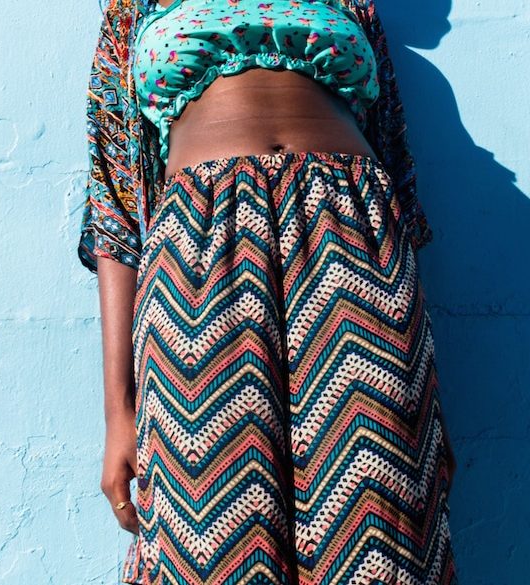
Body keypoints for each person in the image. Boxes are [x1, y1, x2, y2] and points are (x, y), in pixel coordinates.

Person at [76, 0, 459, 582]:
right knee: (213, 532)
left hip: (351, 238)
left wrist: (425, 397)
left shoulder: (349, 4)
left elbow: (396, 172)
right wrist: (118, 414)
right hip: (201, 253)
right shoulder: (137, 7)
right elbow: (115, 213)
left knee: (379, 525)